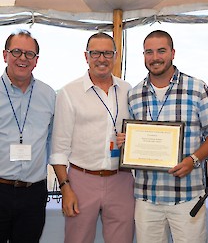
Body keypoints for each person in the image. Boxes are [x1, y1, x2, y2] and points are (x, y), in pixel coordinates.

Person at [117, 30, 208, 243]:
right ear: (144, 55)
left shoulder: (196, 88)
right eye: (149, 52)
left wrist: (192, 160)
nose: (155, 57)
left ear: (173, 53)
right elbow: (131, 140)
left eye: (161, 51)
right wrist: (126, 141)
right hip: (146, 197)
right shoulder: (134, 93)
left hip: (187, 195)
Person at [49, 32, 135, 243]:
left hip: (121, 180)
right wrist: (65, 188)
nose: (102, 59)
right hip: (81, 180)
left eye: (107, 53)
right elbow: (59, 148)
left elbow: (138, 132)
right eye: (95, 53)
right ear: (86, 56)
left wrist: (132, 139)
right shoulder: (69, 93)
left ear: (115, 56)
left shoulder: (128, 90)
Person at [0, 29, 56, 243]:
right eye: (16, 52)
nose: (22, 58)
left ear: (36, 60)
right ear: (5, 55)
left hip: (34, 193)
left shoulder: (49, 95)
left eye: (29, 54)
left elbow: (52, 139)